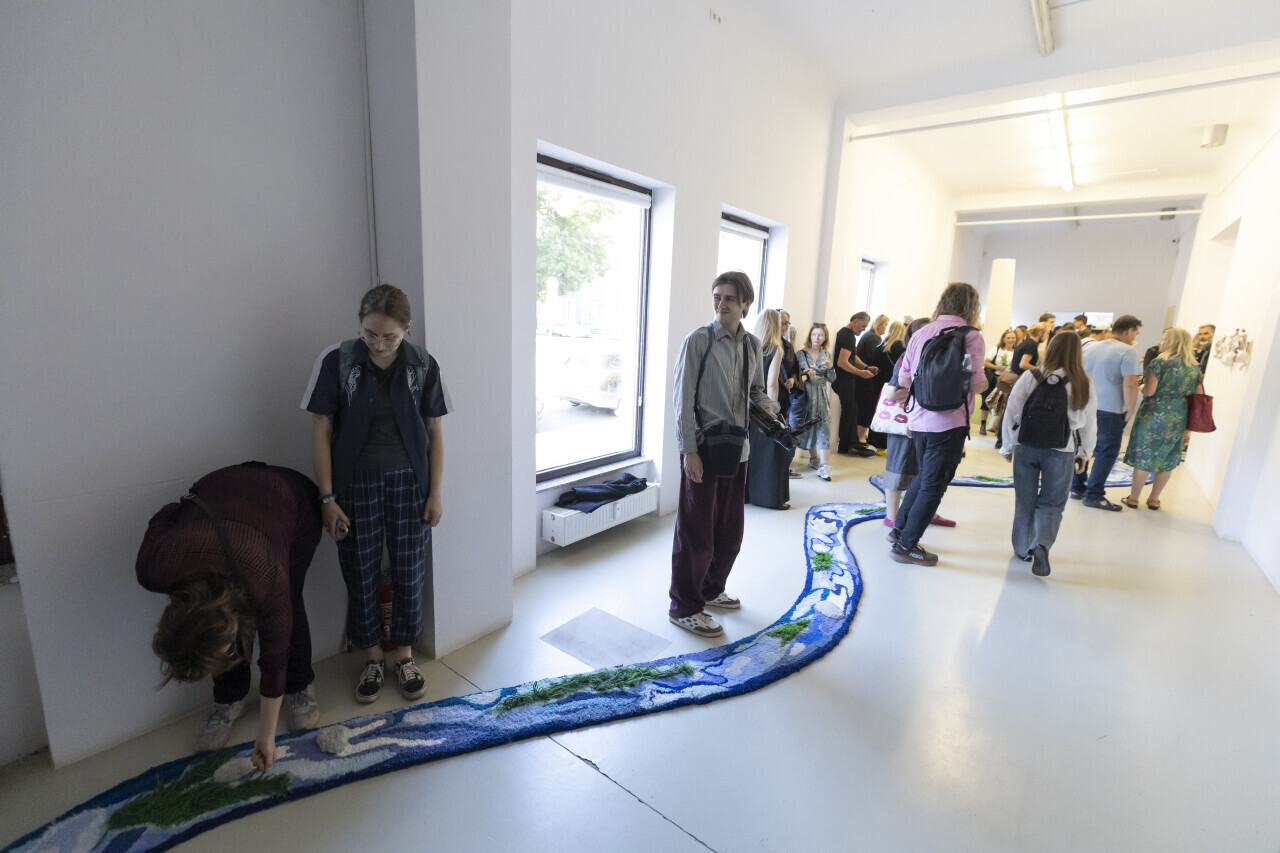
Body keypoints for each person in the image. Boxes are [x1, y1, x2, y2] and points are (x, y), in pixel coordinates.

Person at [303, 284, 451, 704]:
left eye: (390, 336)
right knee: (359, 569)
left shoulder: (423, 364)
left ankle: (404, 656)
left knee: (409, 569)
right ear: (359, 325)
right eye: (370, 334)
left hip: (410, 483)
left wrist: (435, 493)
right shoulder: (338, 361)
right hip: (354, 484)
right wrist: (327, 498)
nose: (379, 344)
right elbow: (321, 429)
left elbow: (435, 432)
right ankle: (371, 657)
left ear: (407, 328)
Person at [136, 462, 323, 772]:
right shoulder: (153, 568)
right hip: (223, 495)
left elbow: (274, 658)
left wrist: (266, 737)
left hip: (291, 497)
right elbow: (167, 514)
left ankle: (300, 686)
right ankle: (229, 699)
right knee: (213, 641)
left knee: (287, 601)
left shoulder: (267, 579)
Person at [669, 271, 777, 638]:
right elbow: (682, 401)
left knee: (729, 532)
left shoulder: (752, 345)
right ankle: (684, 606)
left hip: (738, 450)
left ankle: (711, 589)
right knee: (696, 532)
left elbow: (756, 392)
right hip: (703, 449)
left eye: (730, 298)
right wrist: (688, 451)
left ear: (745, 303)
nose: (721, 304)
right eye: (717, 297)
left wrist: (773, 412)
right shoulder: (698, 341)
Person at [888, 282, 988, 566]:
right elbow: (977, 384)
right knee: (934, 485)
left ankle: (899, 530)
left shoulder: (922, 332)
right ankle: (906, 546)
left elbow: (904, 379)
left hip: (919, 418)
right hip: (950, 421)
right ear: (971, 306)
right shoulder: (971, 336)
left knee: (924, 477)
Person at [999, 333, 1097, 577]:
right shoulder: (1083, 382)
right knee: (1052, 504)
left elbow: (1013, 411)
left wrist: (1008, 446)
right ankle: (1041, 545)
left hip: (1027, 445)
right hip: (1062, 449)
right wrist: (1085, 453)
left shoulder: (1031, 376)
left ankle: (1022, 549)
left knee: (1025, 502)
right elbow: (1089, 423)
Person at [1122, 328, 1204, 510]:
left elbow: (1149, 391)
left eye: (1164, 339)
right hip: (1178, 418)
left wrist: (1140, 385)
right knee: (1167, 459)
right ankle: (1154, 499)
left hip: (1153, 416)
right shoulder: (1194, 367)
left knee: (1144, 456)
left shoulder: (1160, 362)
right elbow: (1198, 395)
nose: (1161, 342)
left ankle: (1134, 498)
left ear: (1173, 342)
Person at [1071, 314, 1142, 510]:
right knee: (1106, 451)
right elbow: (1131, 383)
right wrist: (1131, 408)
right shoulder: (1128, 351)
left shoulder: (1090, 347)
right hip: (1110, 408)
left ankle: (1076, 488)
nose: (1135, 337)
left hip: (1085, 404)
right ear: (1129, 331)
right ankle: (1094, 495)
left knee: (1083, 446)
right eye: (1136, 333)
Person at [746, 309, 791, 509]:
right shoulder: (775, 349)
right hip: (764, 407)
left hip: (748, 406)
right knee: (771, 454)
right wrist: (773, 414)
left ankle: (747, 494)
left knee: (750, 452)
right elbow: (771, 384)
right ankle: (770, 498)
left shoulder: (749, 344)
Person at [994, 322, 1049, 450]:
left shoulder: (1024, 343)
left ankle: (1002, 439)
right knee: (1015, 410)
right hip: (1020, 381)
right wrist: (1041, 371)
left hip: (1016, 380)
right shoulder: (1031, 345)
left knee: (1010, 409)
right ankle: (1005, 440)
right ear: (1040, 332)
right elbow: (1023, 364)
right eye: (1047, 333)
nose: (1047, 336)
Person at [832, 312, 878, 457]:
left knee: (852, 409)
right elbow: (842, 362)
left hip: (846, 379)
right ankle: (846, 445)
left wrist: (866, 367)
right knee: (849, 410)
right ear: (855, 321)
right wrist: (861, 373)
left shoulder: (848, 335)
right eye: (863, 326)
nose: (864, 329)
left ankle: (850, 443)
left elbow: (852, 356)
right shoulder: (847, 336)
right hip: (843, 379)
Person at [796, 322, 838, 481]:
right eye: (814, 334)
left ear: (825, 337)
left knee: (823, 428)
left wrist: (831, 367)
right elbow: (798, 375)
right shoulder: (801, 354)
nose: (817, 338)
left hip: (821, 395)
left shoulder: (826, 353)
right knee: (807, 426)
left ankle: (824, 466)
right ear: (810, 336)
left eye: (821, 335)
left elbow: (831, 379)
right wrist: (809, 376)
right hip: (805, 396)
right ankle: (814, 458)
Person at [854, 314, 891, 450]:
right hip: (866, 379)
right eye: (885, 324)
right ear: (878, 324)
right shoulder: (873, 338)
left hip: (863, 378)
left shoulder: (870, 336)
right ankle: (861, 438)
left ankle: (861, 436)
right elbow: (874, 359)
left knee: (864, 408)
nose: (886, 328)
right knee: (866, 409)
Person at [779, 310, 802, 479]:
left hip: (784, 397)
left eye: (787, 323)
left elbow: (794, 368)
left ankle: (781, 467)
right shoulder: (763, 344)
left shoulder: (787, 346)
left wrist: (793, 379)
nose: (785, 326)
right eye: (782, 322)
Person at [981, 329, 1017, 436]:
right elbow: (986, 363)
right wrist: (998, 367)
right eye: (1008, 338)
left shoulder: (1016, 352)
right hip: (993, 378)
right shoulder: (996, 350)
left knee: (1002, 404)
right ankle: (983, 425)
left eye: (1013, 337)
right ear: (1003, 339)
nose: (1011, 340)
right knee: (987, 401)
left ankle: (996, 427)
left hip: (1007, 381)